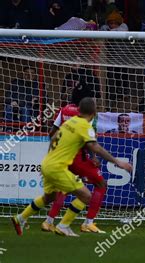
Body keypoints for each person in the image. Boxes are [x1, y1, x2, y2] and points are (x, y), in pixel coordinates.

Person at [11, 97, 132, 237]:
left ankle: (19, 218)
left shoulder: (68, 122)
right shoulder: (84, 125)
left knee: (49, 197)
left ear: (79, 110)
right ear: (94, 112)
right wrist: (117, 162)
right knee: (86, 195)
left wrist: (49, 161)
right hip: (58, 167)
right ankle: (63, 225)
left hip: (47, 164)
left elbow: (53, 137)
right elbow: (94, 146)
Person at [40, 88, 107, 234]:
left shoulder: (63, 111)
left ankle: (48, 221)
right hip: (78, 157)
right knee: (101, 184)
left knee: (62, 189)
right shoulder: (85, 117)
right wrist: (93, 157)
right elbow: (88, 142)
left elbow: (52, 133)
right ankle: (88, 222)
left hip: (62, 158)